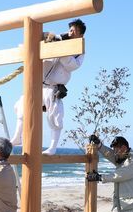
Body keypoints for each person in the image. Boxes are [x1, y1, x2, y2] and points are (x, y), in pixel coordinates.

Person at [11, 19, 86, 155]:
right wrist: (50, 42)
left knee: (55, 116)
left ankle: (52, 147)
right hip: (38, 84)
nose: (70, 33)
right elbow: (39, 45)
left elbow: (72, 65)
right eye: (70, 29)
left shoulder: (79, 51)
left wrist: (61, 50)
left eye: (74, 31)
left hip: (54, 87)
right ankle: (17, 137)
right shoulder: (56, 38)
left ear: (80, 35)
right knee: (22, 106)